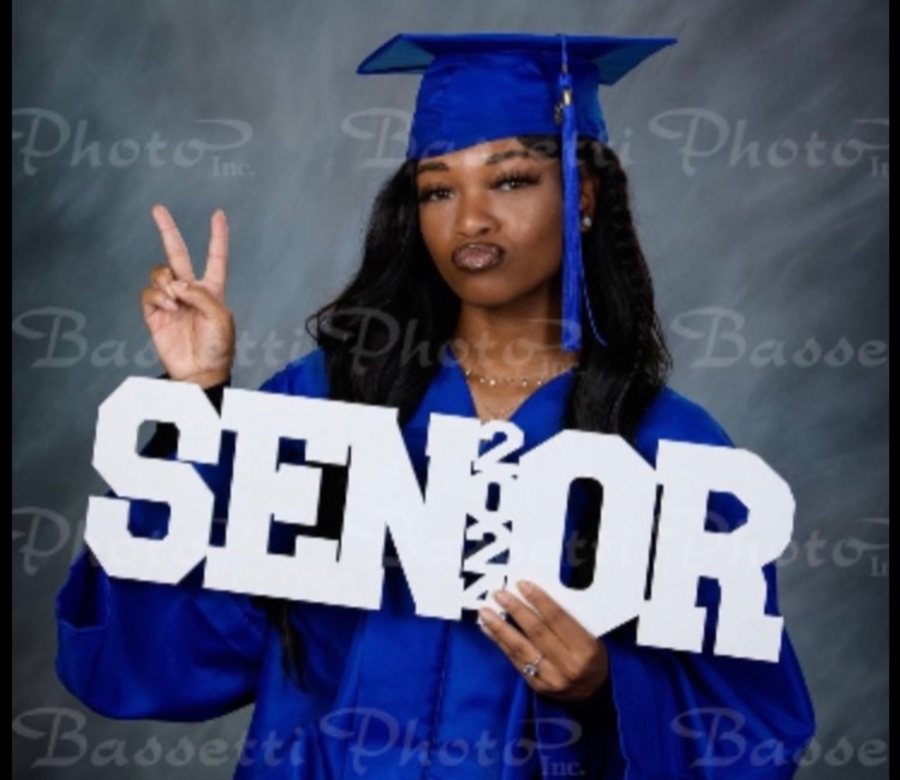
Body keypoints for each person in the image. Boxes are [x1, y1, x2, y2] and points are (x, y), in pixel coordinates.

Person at [55, 33, 816, 778]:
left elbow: (750, 735)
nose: (470, 219)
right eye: (438, 190)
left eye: (510, 181)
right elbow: (156, 653)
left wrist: (608, 688)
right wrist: (196, 402)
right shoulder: (326, 406)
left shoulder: (668, 448)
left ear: (582, 195)